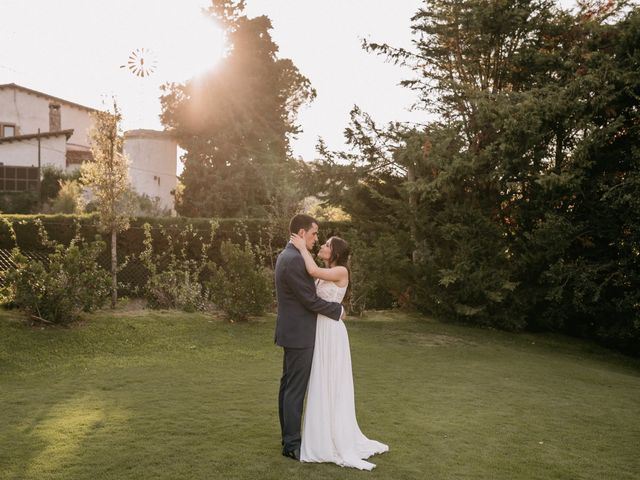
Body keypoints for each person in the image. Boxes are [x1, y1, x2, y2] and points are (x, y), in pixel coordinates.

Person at [290, 233, 389, 470]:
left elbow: (313, 272)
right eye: (322, 243)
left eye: (327, 245)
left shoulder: (341, 271)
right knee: (322, 380)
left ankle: (334, 436)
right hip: (320, 330)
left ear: (335, 253)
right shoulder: (328, 271)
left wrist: (302, 248)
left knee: (331, 381)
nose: (322, 246)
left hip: (331, 334)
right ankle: (323, 432)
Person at [275, 214, 344, 461]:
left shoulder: (290, 255)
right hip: (300, 334)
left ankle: (288, 438)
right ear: (302, 233)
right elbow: (310, 300)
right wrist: (338, 311)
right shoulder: (293, 259)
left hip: (293, 331)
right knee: (294, 390)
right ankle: (291, 444)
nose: (317, 238)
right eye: (315, 233)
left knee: (288, 387)